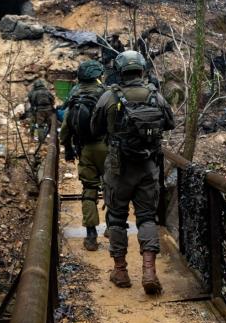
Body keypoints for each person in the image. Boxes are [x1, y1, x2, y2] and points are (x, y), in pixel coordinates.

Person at [91, 50, 175, 294]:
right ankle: (149, 272)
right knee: (147, 217)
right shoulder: (155, 96)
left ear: (120, 71)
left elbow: (94, 129)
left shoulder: (109, 96)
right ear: (141, 70)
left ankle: (121, 270)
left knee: (116, 218)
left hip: (118, 168)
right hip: (148, 167)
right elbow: (170, 123)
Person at [60, 61, 108, 250]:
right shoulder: (105, 93)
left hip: (85, 149)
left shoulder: (74, 95)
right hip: (106, 147)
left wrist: (68, 148)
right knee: (111, 186)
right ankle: (113, 227)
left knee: (89, 189)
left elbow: (65, 128)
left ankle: (90, 236)